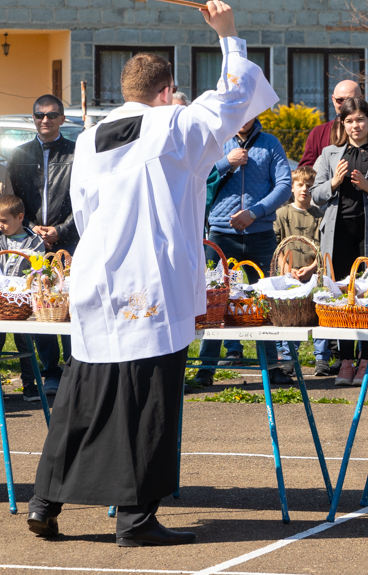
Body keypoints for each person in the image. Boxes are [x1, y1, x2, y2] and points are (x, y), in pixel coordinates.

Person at [26, 0, 278, 546]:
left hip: (99, 275)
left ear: (125, 89)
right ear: (166, 91)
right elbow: (236, 97)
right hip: (151, 281)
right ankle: (136, 520)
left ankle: (44, 502)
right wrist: (228, 32)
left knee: (82, 395)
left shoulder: (90, 137)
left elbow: (85, 208)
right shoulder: (173, 125)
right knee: (150, 398)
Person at [310, 97, 368, 387]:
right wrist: (334, 183)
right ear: (342, 123)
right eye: (349, 120)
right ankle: (346, 362)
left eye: (361, 119)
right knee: (342, 300)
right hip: (339, 237)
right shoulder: (329, 154)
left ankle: (367, 363)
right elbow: (315, 195)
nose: (355, 125)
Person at [194, 115, 293, 387]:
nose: (241, 119)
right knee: (213, 301)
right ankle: (206, 368)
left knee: (266, 299)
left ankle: (271, 365)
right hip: (221, 234)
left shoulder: (271, 144)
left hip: (260, 233)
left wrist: (254, 212)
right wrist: (227, 163)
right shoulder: (216, 143)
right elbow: (197, 177)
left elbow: (284, 186)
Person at [7, 93, 78, 396]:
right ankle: (50, 371)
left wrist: (60, 230)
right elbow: (13, 200)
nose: (45, 120)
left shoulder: (77, 153)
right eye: (39, 115)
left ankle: (76, 370)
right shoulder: (20, 154)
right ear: (33, 119)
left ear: (62, 118)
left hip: (70, 241)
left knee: (71, 305)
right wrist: (32, 228)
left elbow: (86, 201)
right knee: (42, 306)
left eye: (51, 115)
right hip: (34, 243)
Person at [272, 165, 335, 377]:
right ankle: (288, 357)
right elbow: (277, 244)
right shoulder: (281, 214)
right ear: (291, 188)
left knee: (319, 313)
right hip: (288, 274)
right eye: (300, 185)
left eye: (309, 186)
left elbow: (323, 246)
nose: (304, 190)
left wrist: (310, 269)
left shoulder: (319, 215)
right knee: (290, 316)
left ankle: (322, 358)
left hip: (313, 274)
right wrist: (287, 269)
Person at [0, 194, 45, 402]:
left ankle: (29, 384)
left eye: (4, 221)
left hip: (23, 302)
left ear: (20, 217)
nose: (1, 225)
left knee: (26, 342)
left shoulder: (34, 242)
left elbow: (36, 267)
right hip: (2, 301)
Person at [299, 80, 368, 167]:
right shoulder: (319, 133)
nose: (345, 105)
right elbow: (306, 172)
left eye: (350, 100)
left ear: (361, 99)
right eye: (340, 100)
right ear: (333, 100)